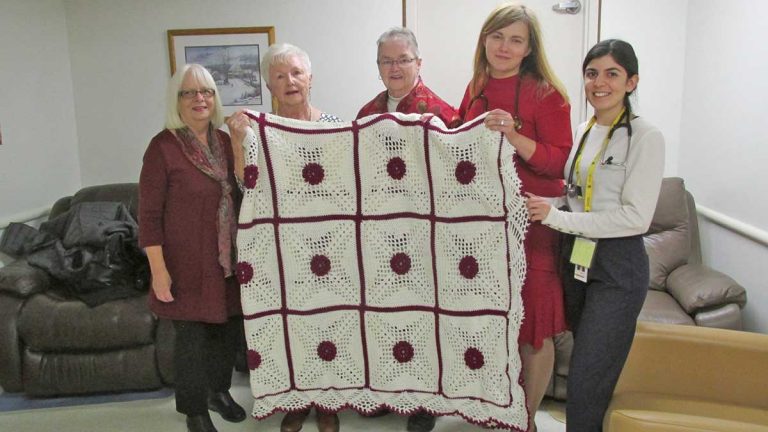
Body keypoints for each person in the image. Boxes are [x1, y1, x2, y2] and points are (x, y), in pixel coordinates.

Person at [526, 39, 664, 432]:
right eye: (591, 73)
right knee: (585, 374)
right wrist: (539, 201)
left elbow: (635, 218)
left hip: (617, 268)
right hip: (577, 261)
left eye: (612, 74)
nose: (599, 82)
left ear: (632, 82)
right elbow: (577, 197)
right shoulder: (585, 129)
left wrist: (556, 218)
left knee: (587, 379)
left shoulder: (645, 137)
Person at [458, 4, 572, 432]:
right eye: (497, 37)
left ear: (529, 49)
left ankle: (525, 420)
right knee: (493, 319)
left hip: (532, 227)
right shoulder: (477, 86)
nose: (504, 47)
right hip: (484, 227)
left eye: (516, 39)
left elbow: (559, 163)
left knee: (535, 327)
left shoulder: (547, 94)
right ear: (485, 39)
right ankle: (498, 406)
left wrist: (513, 133)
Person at [227, 42, 341, 432]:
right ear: (269, 86)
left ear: (310, 78)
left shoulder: (335, 127)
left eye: (296, 72)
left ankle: (328, 402)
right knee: (290, 326)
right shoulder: (258, 130)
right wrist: (239, 143)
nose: (289, 81)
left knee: (329, 322)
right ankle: (296, 401)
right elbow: (245, 184)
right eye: (279, 76)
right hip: (281, 248)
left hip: (329, 244)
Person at [139, 63, 246, 432]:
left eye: (207, 92)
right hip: (183, 264)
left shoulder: (224, 142)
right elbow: (149, 216)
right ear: (177, 100)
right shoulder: (162, 147)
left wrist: (242, 137)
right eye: (189, 92)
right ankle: (194, 411)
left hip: (225, 261)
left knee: (225, 333)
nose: (199, 99)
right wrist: (158, 270)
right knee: (192, 342)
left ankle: (219, 392)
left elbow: (246, 187)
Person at [356, 27, 461, 128]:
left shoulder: (440, 115)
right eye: (387, 61)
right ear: (378, 66)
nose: (395, 68)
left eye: (403, 60)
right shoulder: (366, 116)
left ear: (418, 64)